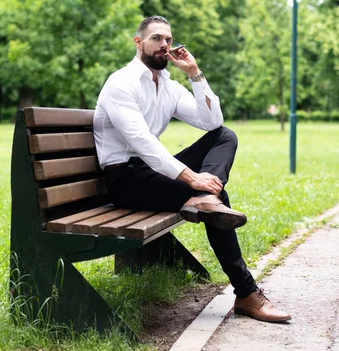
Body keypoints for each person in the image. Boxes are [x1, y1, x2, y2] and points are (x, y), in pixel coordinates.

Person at [94, 16, 290, 322]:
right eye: (156, 38)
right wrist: (190, 177)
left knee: (225, 136)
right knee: (216, 200)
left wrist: (195, 75)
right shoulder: (121, 83)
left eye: (169, 40)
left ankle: (207, 202)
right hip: (125, 180)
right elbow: (144, 143)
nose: (164, 45)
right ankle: (247, 293)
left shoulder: (168, 87)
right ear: (138, 42)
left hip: (151, 172)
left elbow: (212, 122)